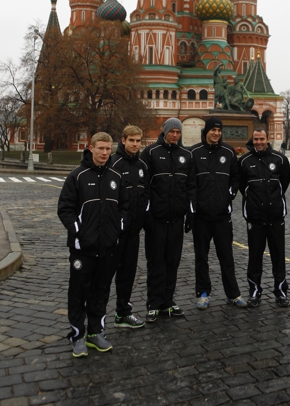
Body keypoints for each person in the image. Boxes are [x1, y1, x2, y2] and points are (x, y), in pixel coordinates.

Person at [57, 132, 128, 358]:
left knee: (101, 291)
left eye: (108, 149)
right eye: (101, 148)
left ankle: (96, 332)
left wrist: (117, 228)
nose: (105, 153)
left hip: (107, 247)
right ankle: (77, 335)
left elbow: (124, 207)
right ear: (91, 148)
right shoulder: (77, 176)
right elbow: (65, 208)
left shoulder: (116, 176)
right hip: (82, 248)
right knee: (78, 292)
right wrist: (79, 231)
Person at [190, 117, 246, 309]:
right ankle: (203, 293)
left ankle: (233, 294)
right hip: (201, 217)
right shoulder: (194, 152)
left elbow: (235, 178)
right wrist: (194, 206)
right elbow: (191, 183)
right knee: (201, 257)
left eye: (219, 130)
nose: (216, 133)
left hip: (222, 215)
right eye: (213, 130)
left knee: (227, 256)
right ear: (206, 131)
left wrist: (229, 195)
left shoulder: (229, 151)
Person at [141, 118, 194, 322]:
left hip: (176, 219)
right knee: (156, 262)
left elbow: (190, 186)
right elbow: (145, 185)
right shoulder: (151, 153)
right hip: (156, 218)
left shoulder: (186, 155)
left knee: (172, 261)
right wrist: (147, 214)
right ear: (164, 132)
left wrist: (190, 213)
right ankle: (153, 303)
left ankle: (168, 301)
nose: (174, 135)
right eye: (171, 131)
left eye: (178, 132)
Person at [239, 128, 290, 308]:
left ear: (268, 139)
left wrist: (274, 201)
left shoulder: (280, 159)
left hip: (276, 217)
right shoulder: (244, 161)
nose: (259, 142)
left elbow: (283, 183)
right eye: (256, 139)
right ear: (252, 140)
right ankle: (254, 292)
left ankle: (281, 291)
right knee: (255, 257)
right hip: (255, 218)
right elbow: (242, 186)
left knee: (278, 256)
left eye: (262, 139)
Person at [110, 125, 150, 329]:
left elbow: (145, 194)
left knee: (127, 274)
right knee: (104, 276)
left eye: (138, 141)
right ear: (123, 140)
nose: (135, 144)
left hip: (133, 230)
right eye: (131, 140)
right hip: (113, 232)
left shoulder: (141, 165)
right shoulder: (113, 162)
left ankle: (122, 313)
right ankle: (93, 321)